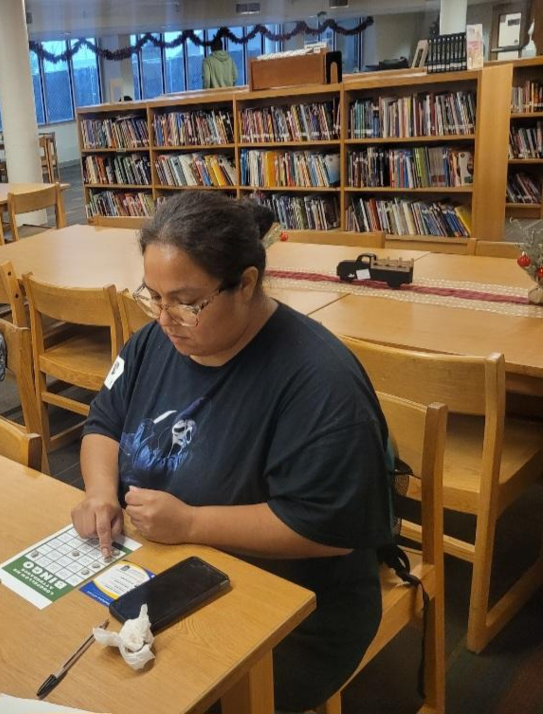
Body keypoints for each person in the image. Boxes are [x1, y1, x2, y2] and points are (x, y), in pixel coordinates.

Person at [70, 191, 393, 712]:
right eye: (152, 295)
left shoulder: (318, 380)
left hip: (295, 604)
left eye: (187, 301)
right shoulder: (156, 342)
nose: (165, 317)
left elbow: (329, 527)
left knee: (162, 698)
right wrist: (101, 493)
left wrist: (193, 524)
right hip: (169, 568)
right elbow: (105, 420)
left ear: (246, 284)